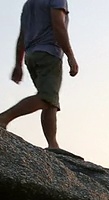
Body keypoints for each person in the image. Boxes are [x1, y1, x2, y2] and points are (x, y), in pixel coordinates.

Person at [0, 0, 79, 152]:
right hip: (49, 52)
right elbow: (58, 25)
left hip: (32, 55)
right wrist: (70, 55)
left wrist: (18, 63)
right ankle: (4, 118)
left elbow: (22, 35)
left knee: (51, 101)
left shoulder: (29, 3)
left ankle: (53, 144)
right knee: (46, 97)